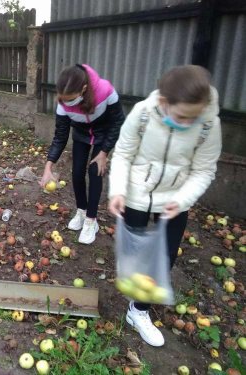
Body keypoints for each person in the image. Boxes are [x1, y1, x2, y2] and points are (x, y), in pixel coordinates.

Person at [108, 65, 222, 347]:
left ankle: (139, 311)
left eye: (193, 117)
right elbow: (123, 153)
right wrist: (118, 191)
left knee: (165, 257)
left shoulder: (208, 124)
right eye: (181, 117)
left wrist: (182, 200)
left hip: (173, 199)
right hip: (137, 192)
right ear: (163, 102)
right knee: (134, 252)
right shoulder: (143, 113)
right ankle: (135, 290)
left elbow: (204, 170)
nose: (187, 124)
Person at [40, 64, 125, 244]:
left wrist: (104, 152)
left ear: (83, 90)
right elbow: (60, 136)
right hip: (81, 135)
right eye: (63, 99)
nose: (66, 103)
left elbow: (118, 122)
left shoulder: (105, 91)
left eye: (70, 99)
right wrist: (49, 165)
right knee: (77, 173)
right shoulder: (63, 104)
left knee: (95, 173)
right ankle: (81, 210)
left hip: (103, 136)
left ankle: (91, 220)